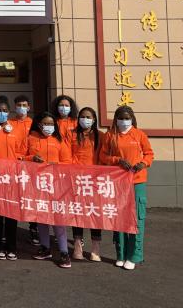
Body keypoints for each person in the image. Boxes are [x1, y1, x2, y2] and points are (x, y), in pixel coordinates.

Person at [99, 106, 153, 270]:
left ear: (132, 119)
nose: (124, 121)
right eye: (121, 118)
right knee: (119, 218)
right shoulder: (110, 135)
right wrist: (117, 160)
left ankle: (134, 256)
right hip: (118, 182)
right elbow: (103, 156)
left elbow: (149, 154)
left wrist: (143, 163)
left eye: (127, 118)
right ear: (116, 119)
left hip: (137, 182)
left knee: (136, 218)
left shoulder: (139, 134)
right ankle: (121, 254)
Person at [0, 96, 26, 261]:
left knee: (11, 214)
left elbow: (22, 150)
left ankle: (11, 247)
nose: (2, 113)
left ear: (9, 112)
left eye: (5, 110)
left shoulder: (16, 130)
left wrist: (19, 159)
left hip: (12, 177)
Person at [27, 111, 72, 268]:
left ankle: (64, 252)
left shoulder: (59, 140)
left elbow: (68, 161)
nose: (48, 126)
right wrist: (32, 158)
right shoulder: (31, 138)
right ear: (39, 124)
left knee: (58, 218)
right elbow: (21, 157)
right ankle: (45, 248)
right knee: (41, 217)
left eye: (51, 124)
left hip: (56, 184)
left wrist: (56, 165)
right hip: (37, 183)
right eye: (45, 123)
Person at [70, 107, 103, 262]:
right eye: (82, 116)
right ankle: (78, 245)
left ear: (94, 119)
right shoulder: (72, 135)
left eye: (88, 117)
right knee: (78, 211)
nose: (85, 119)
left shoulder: (100, 136)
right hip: (77, 179)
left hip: (95, 180)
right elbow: (67, 154)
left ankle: (95, 248)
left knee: (94, 212)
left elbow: (105, 156)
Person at [10, 94, 38, 245]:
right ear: (15, 107)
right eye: (19, 105)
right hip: (14, 164)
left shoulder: (33, 124)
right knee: (14, 197)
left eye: (24, 105)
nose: (21, 108)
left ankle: (33, 228)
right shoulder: (9, 123)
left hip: (30, 165)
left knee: (31, 197)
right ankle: (10, 229)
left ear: (29, 107)